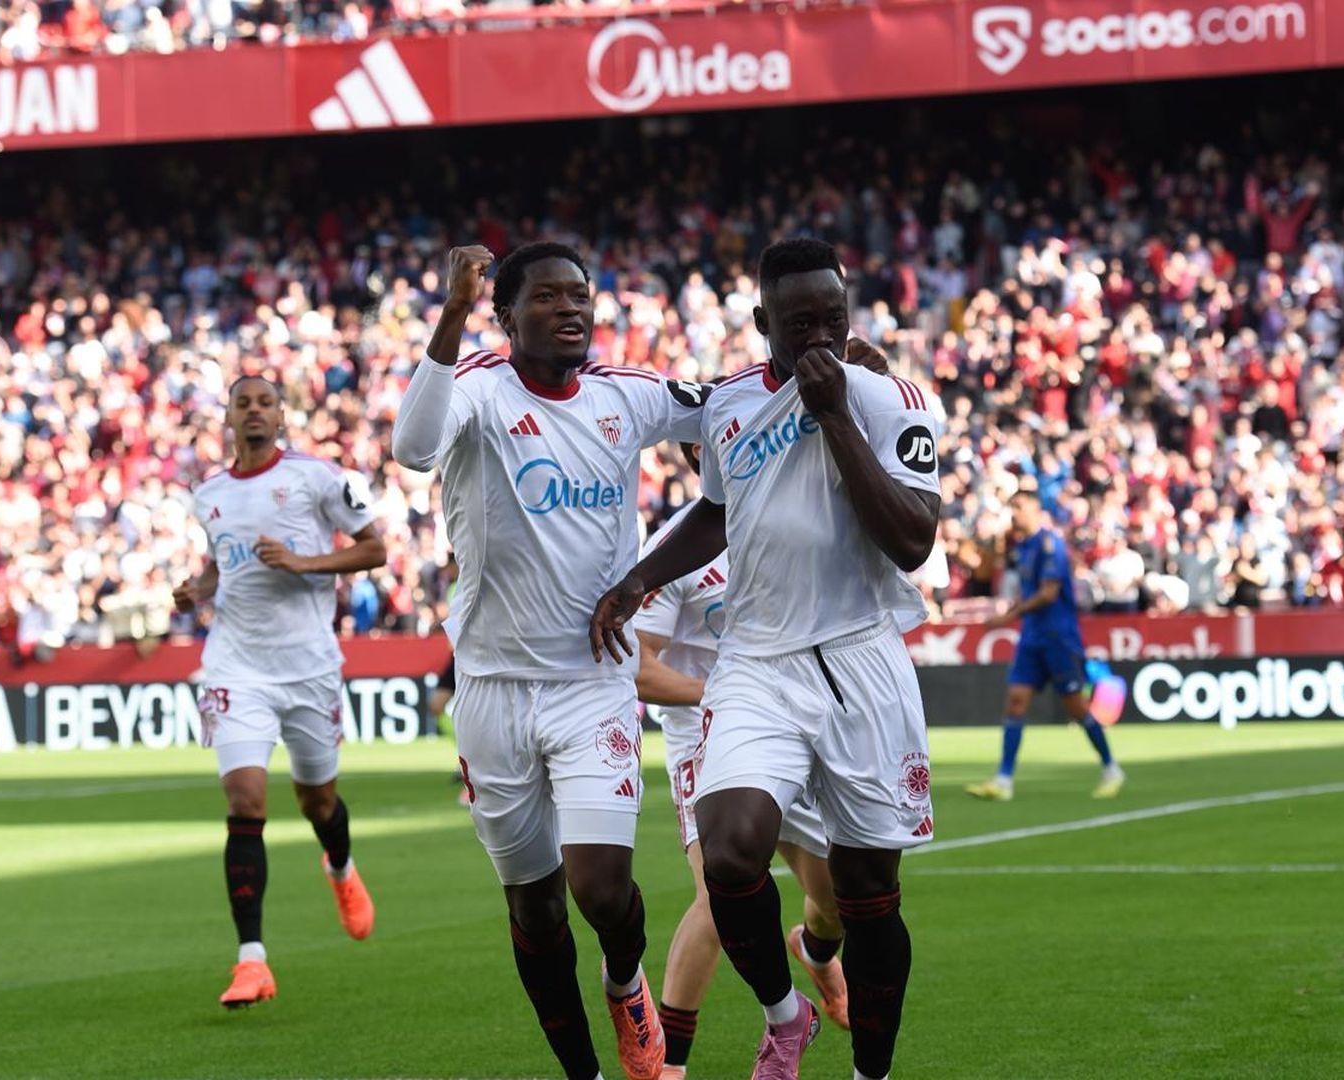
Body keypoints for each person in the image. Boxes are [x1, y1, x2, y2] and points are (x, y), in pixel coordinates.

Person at [590, 237, 942, 1080]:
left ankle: (870, 1072)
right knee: (730, 849)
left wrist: (833, 416)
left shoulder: (893, 401)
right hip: (757, 662)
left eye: (834, 317)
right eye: (799, 322)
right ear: (762, 324)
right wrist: (640, 579)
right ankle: (787, 1015)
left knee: (865, 899)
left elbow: (912, 540)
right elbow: (717, 511)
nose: (820, 335)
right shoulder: (727, 407)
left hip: (862, 662)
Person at [391, 242, 710, 1080]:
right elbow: (412, 448)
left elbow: (729, 406)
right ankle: (585, 1074)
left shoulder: (625, 397)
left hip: (590, 684)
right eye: (546, 297)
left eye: (581, 296)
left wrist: (834, 374)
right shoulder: (478, 388)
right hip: (492, 694)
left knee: (602, 891)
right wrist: (451, 316)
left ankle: (625, 980)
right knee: (533, 909)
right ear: (505, 312)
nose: (571, 309)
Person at [630, 449, 851, 1080]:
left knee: (836, 899)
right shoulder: (677, 544)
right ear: (702, 453)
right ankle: (667, 1065)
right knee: (717, 897)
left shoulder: (801, 521)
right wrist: (725, 693)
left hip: (798, 724)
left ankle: (814, 946)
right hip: (706, 733)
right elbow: (640, 666)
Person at [171, 374, 387, 1009]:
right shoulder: (207, 495)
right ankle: (252, 962)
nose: (255, 411)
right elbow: (222, 564)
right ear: (229, 416)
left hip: (309, 667)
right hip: (236, 666)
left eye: (267, 401)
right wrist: (199, 590)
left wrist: (305, 564)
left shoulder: (320, 477)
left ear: (282, 414)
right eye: (244, 402)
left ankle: (341, 868)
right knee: (246, 800)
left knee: (319, 801)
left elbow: (374, 548)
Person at [965, 491, 1123, 802]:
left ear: (1036, 510)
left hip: (1058, 637)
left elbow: (1049, 593)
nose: (1013, 514)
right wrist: (1013, 609)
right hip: (1032, 637)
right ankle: (1004, 781)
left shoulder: (1051, 544)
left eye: (1019, 507)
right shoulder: (1022, 548)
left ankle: (1111, 768)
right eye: (1012, 508)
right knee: (1015, 701)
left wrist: (1009, 617)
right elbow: (1031, 593)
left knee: (1076, 707)